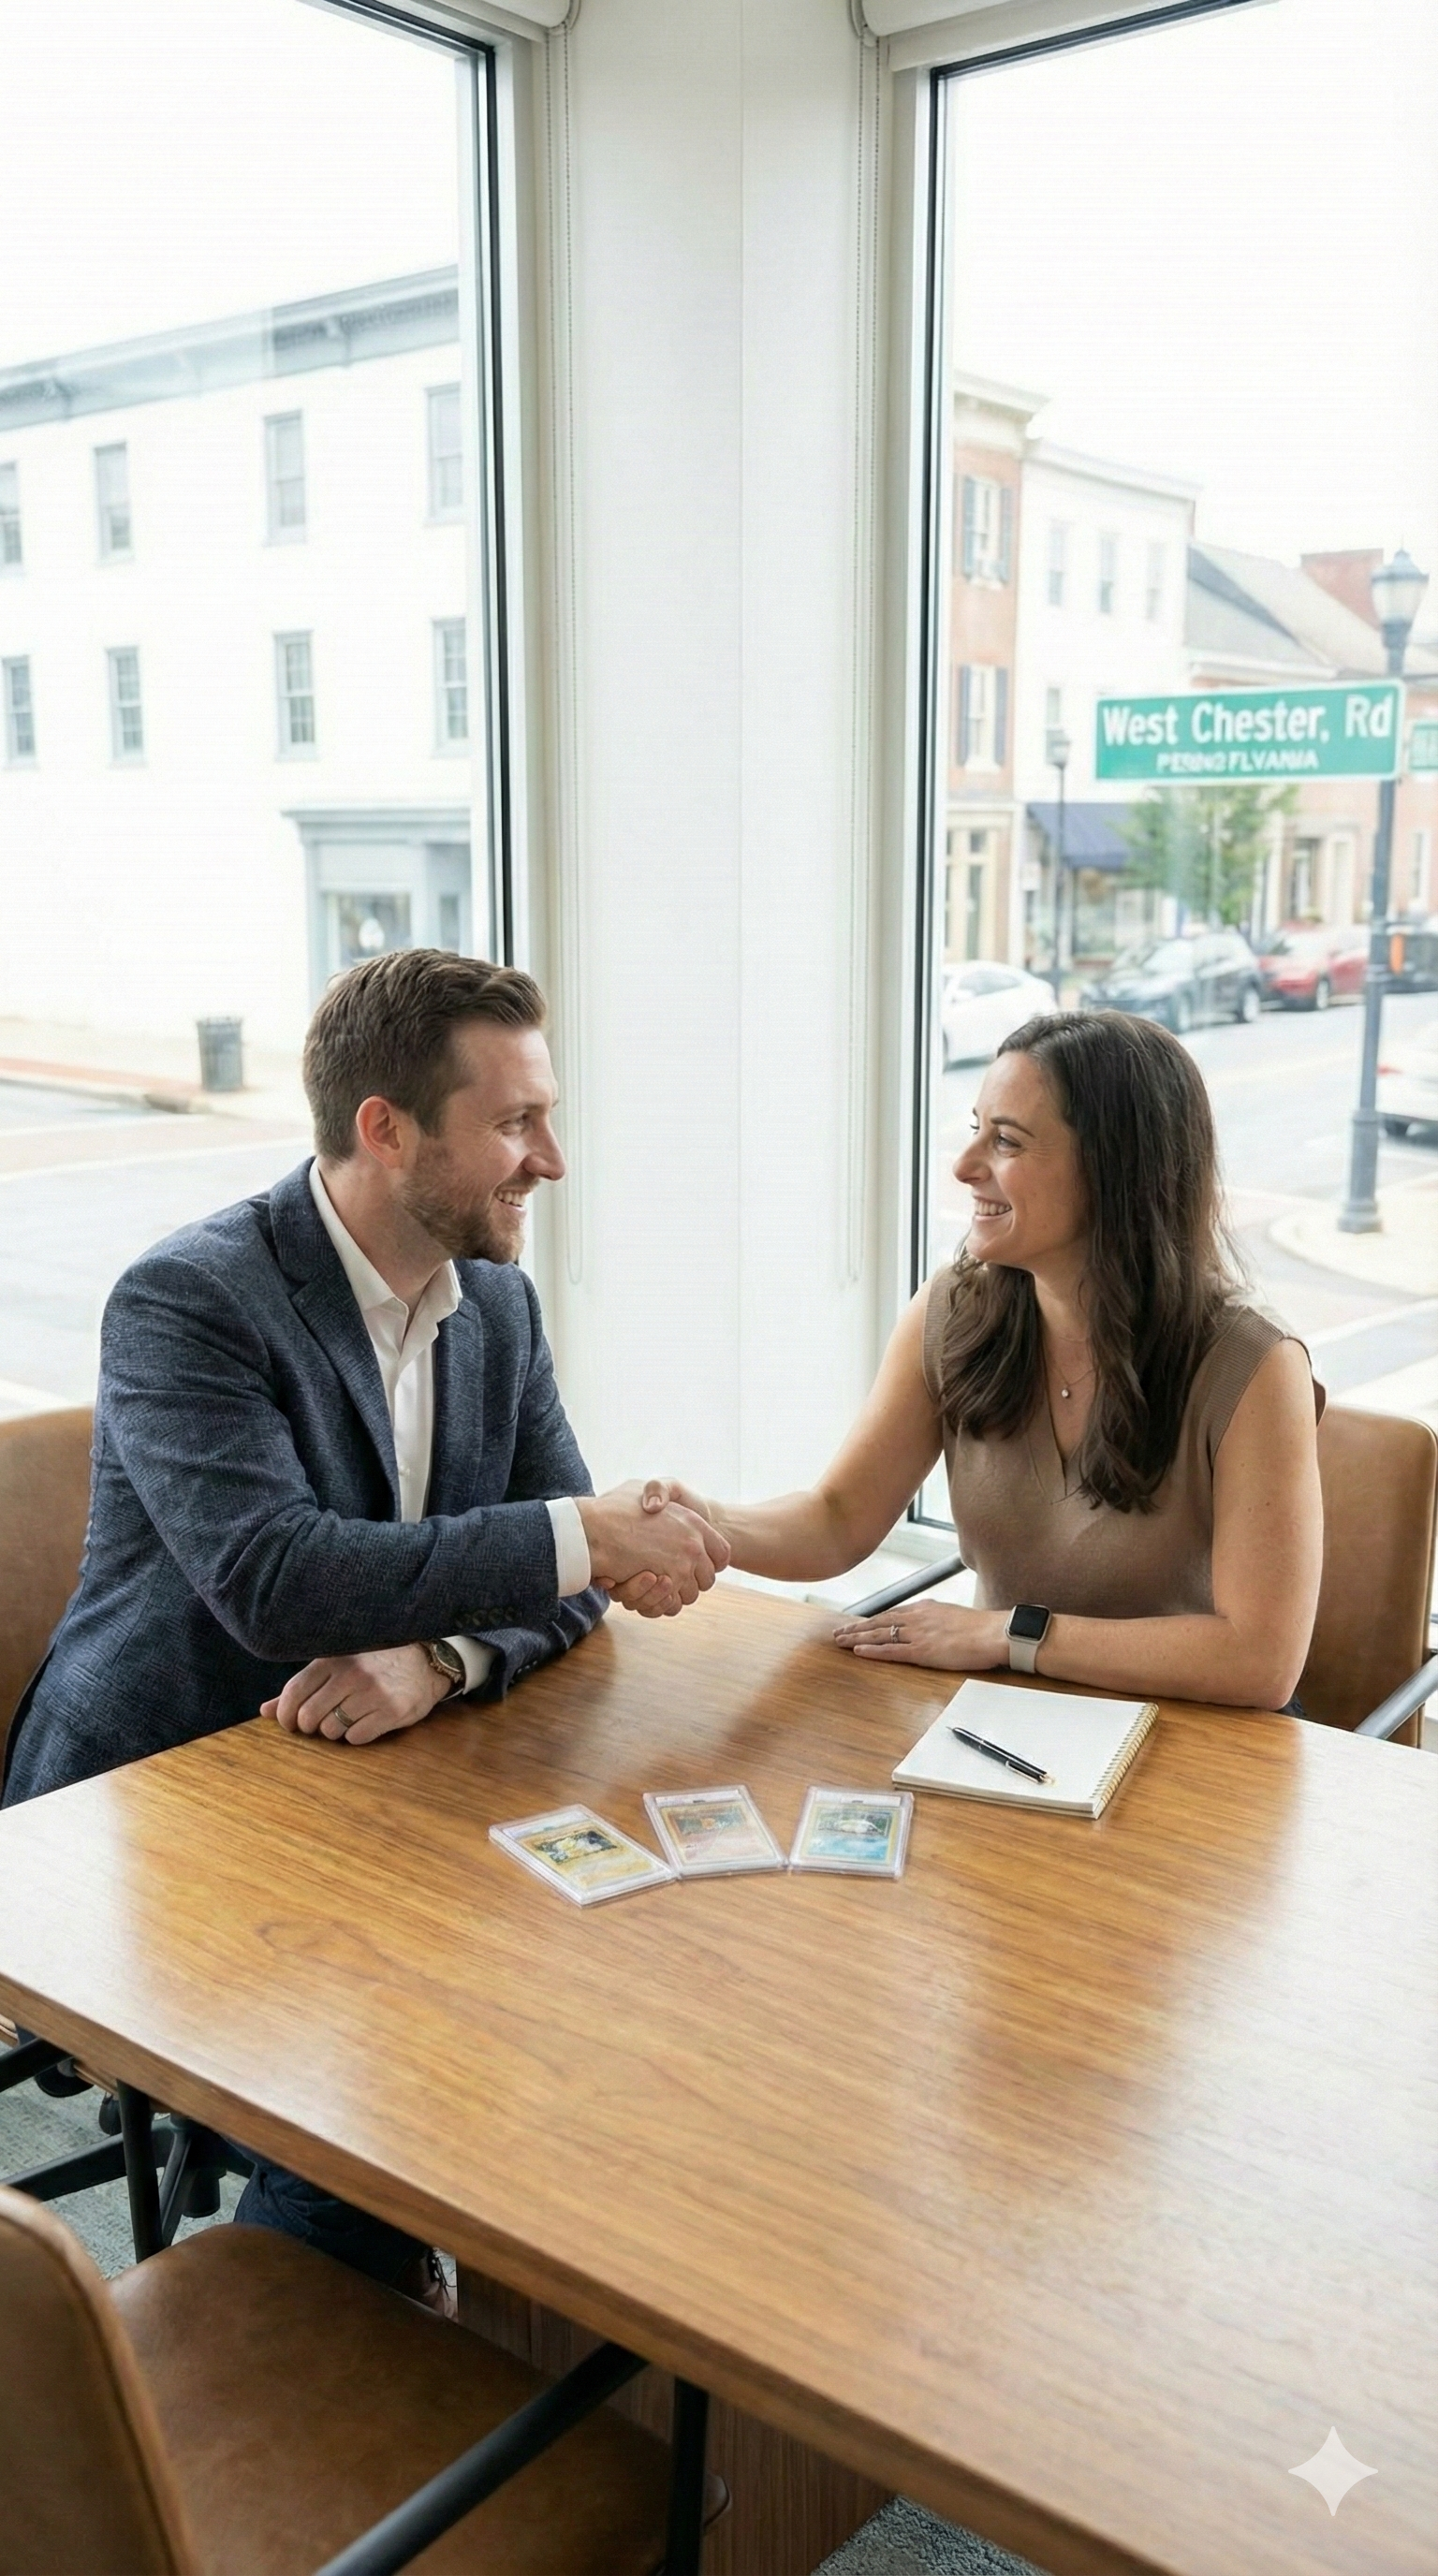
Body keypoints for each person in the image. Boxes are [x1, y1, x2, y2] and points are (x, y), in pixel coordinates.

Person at [3, 948, 726, 2302]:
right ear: (385, 1131)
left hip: (363, 1799)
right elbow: (275, 1581)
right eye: (515, 1123)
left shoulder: (495, 1307)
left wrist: (441, 1656)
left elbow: (561, 1586)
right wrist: (587, 1534)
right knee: (401, 2104)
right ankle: (281, 2368)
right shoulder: (190, 1301)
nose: (551, 1161)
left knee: (595, 2026)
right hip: (151, 1820)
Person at [639, 1011, 1323, 1711]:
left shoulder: (1254, 1364)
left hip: (1200, 1746)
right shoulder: (953, 1311)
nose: (966, 1168)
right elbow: (839, 1518)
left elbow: (1259, 1661)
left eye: (1007, 1141)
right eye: (976, 1130)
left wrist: (1010, 1636)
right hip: (1006, 1722)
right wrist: (705, 1522)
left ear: (1114, 1169)